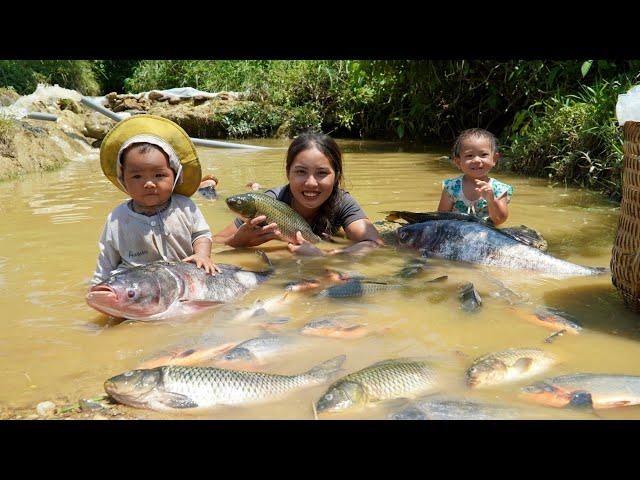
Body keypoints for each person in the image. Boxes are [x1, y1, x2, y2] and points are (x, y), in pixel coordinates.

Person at [90, 115, 220, 285]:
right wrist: (97, 286)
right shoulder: (117, 218)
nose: (149, 184)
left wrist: (202, 255)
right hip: (135, 287)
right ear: (124, 181)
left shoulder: (185, 207)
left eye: (159, 175)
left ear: (175, 176)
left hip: (181, 279)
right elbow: (106, 261)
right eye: (137, 176)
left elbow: (201, 234)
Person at [214, 131, 382, 256]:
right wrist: (236, 242)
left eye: (322, 173)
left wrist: (326, 256)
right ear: (288, 173)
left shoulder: (342, 201)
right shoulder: (269, 201)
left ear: (336, 176)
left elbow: (375, 244)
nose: (310, 183)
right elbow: (215, 242)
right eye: (301, 172)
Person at [437, 128, 512, 225]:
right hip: (458, 232)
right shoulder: (451, 187)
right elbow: (441, 218)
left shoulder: (499, 189)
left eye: (483, 154)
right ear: (458, 162)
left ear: (494, 159)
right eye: (469, 155)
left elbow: (499, 220)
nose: (476, 160)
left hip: (486, 235)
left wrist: (491, 200)